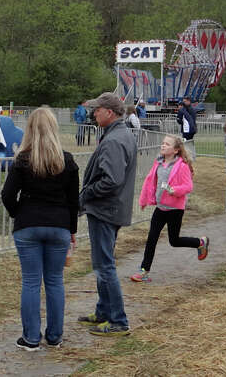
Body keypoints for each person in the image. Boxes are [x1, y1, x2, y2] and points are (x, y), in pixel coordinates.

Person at [0, 107, 80, 351]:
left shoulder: (22, 160)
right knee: (55, 281)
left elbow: (7, 195)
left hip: (28, 224)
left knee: (31, 281)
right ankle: (55, 336)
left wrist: (18, 213)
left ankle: (31, 338)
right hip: (59, 225)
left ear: (30, 129)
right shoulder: (66, 161)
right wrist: (71, 230)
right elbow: (73, 200)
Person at [78, 92, 137, 337]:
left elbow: (111, 181)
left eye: (97, 109)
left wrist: (86, 194)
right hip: (110, 208)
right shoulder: (119, 134)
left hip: (106, 209)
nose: (94, 113)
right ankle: (103, 312)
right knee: (102, 263)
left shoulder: (114, 139)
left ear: (109, 112)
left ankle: (118, 321)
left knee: (105, 266)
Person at [130, 134, 209, 283]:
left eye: (167, 144)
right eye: (163, 143)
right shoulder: (158, 163)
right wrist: (144, 200)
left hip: (175, 209)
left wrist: (175, 190)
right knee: (151, 239)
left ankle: (200, 243)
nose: (163, 146)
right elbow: (150, 181)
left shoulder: (182, 166)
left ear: (176, 150)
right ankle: (144, 271)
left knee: (174, 240)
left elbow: (188, 186)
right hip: (160, 208)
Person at [176, 96, 198, 162]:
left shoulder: (189, 110)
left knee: (187, 143)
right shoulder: (186, 109)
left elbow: (190, 120)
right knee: (189, 143)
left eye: (185, 101)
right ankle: (192, 157)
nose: (184, 102)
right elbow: (180, 120)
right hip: (188, 129)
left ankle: (190, 157)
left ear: (189, 101)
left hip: (188, 130)